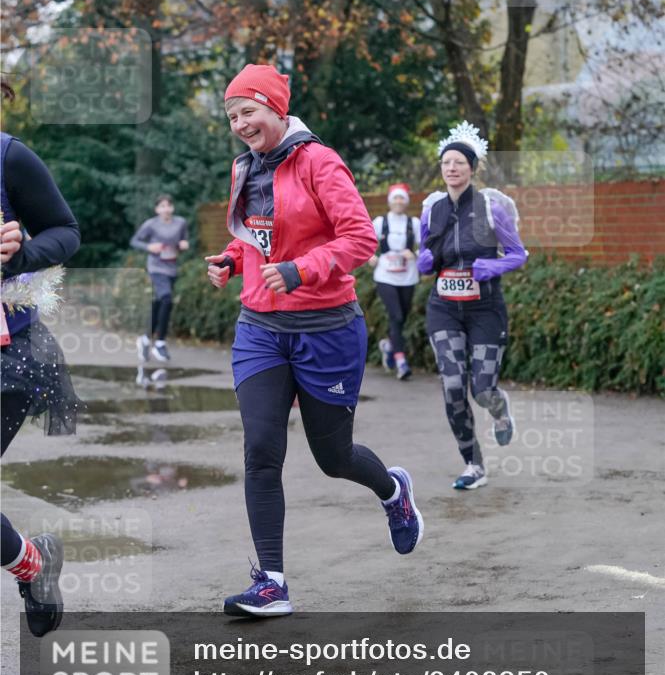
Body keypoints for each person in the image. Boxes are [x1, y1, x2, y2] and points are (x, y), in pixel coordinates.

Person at [206, 63, 423, 617]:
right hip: (260, 327)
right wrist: (232, 261)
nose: (239, 124)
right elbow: (258, 237)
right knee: (260, 452)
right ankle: (271, 583)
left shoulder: (319, 162)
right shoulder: (244, 168)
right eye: (232, 116)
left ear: (275, 108)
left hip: (326, 328)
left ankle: (393, 492)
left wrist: (303, 270)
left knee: (333, 456)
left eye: (247, 112)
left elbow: (359, 239)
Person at [1, 103, 82, 637]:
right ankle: (31, 562)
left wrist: (21, 253)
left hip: (8, 348)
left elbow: (65, 231)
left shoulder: (8, 155)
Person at [418, 121, 527, 491]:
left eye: (459, 162)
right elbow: (425, 251)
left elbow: (518, 254)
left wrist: (491, 267)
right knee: (452, 386)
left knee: (481, 390)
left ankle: (499, 409)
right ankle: (473, 464)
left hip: (485, 309)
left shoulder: (492, 207)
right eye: (446, 162)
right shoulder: (432, 209)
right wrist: (424, 262)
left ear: (472, 167)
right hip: (444, 308)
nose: (451, 168)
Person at [368, 183, 420, 380]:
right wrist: (370, 258)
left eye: (402, 198)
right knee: (396, 316)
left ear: (406, 202)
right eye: (395, 198)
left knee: (402, 317)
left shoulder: (413, 223)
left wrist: (414, 254)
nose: (399, 202)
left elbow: (427, 247)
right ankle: (401, 362)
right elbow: (363, 242)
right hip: (385, 276)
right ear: (390, 201)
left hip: (408, 277)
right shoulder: (380, 222)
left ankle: (388, 345)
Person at [131, 194, 189, 363]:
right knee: (167, 299)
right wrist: (149, 246)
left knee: (159, 303)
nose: (166, 209)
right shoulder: (151, 224)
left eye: (168, 205)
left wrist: (183, 245)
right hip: (156, 268)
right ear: (157, 209)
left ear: (172, 208)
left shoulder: (181, 223)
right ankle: (160, 342)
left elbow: (182, 241)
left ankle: (145, 339)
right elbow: (134, 241)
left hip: (171, 268)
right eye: (162, 206)